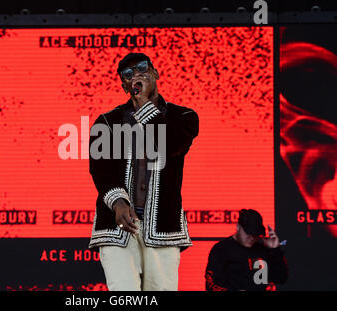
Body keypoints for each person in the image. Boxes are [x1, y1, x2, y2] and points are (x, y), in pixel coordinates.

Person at [88, 52, 199, 291]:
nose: (136, 75)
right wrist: (118, 202)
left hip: (163, 223)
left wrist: (146, 106)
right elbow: (100, 170)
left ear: (155, 73)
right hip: (117, 223)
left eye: (141, 68)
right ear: (123, 84)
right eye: (128, 74)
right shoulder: (107, 121)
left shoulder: (184, 116)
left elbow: (171, 145)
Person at [205, 209, 288, 291]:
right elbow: (210, 285)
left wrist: (275, 250)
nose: (251, 238)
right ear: (238, 227)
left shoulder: (263, 248)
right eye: (248, 233)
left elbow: (281, 278)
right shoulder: (221, 249)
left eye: (255, 234)